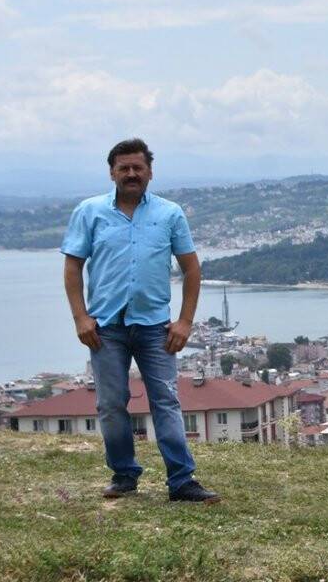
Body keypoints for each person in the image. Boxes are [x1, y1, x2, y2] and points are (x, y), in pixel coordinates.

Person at [61, 138, 220, 504]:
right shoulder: (89, 212)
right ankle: (124, 474)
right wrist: (80, 317)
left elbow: (191, 268)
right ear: (112, 172)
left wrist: (185, 322)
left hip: (155, 327)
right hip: (106, 327)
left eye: (138, 167)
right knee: (111, 403)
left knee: (166, 399)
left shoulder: (169, 214)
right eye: (124, 168)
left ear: (149, 171)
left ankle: (181, 480)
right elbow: (72, 267)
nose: (131, 174)